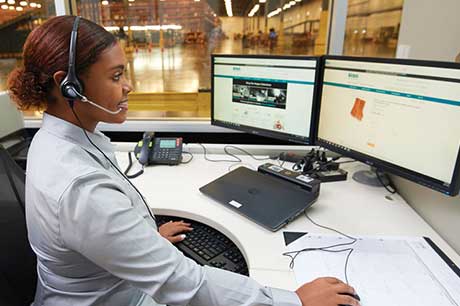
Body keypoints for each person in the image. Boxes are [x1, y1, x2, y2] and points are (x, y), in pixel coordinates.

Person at [7, 16, 360, 306]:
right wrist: (295, 301)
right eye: (116, 77)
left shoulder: (55, 139)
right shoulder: (79, 187)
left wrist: (142, 240)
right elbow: (181, 284)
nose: (128, 86)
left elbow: (93, 233)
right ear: (68, 86)